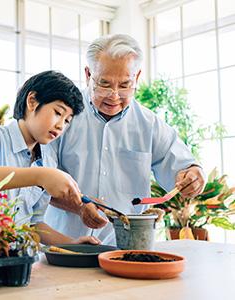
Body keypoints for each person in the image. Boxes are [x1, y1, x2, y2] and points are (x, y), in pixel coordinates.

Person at [43, 34, 206, 245]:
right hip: (64, 246)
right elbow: (39, 181)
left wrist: (193, 175)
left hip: (126, 247)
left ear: (137, 77)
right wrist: (79, 206)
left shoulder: (149, 124)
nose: (114, 95)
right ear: (87, 74)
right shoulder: (62, 117)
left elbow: (183, 168)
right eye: (104, 84)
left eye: (124, 85)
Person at [0, 70, 100, 245]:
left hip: (20, 258)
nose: (60, 126)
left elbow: (34, 224)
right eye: (58, 113)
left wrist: (72, 244)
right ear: (32, 101)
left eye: (67, 121)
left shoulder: (48, 160)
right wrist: (41, 176)